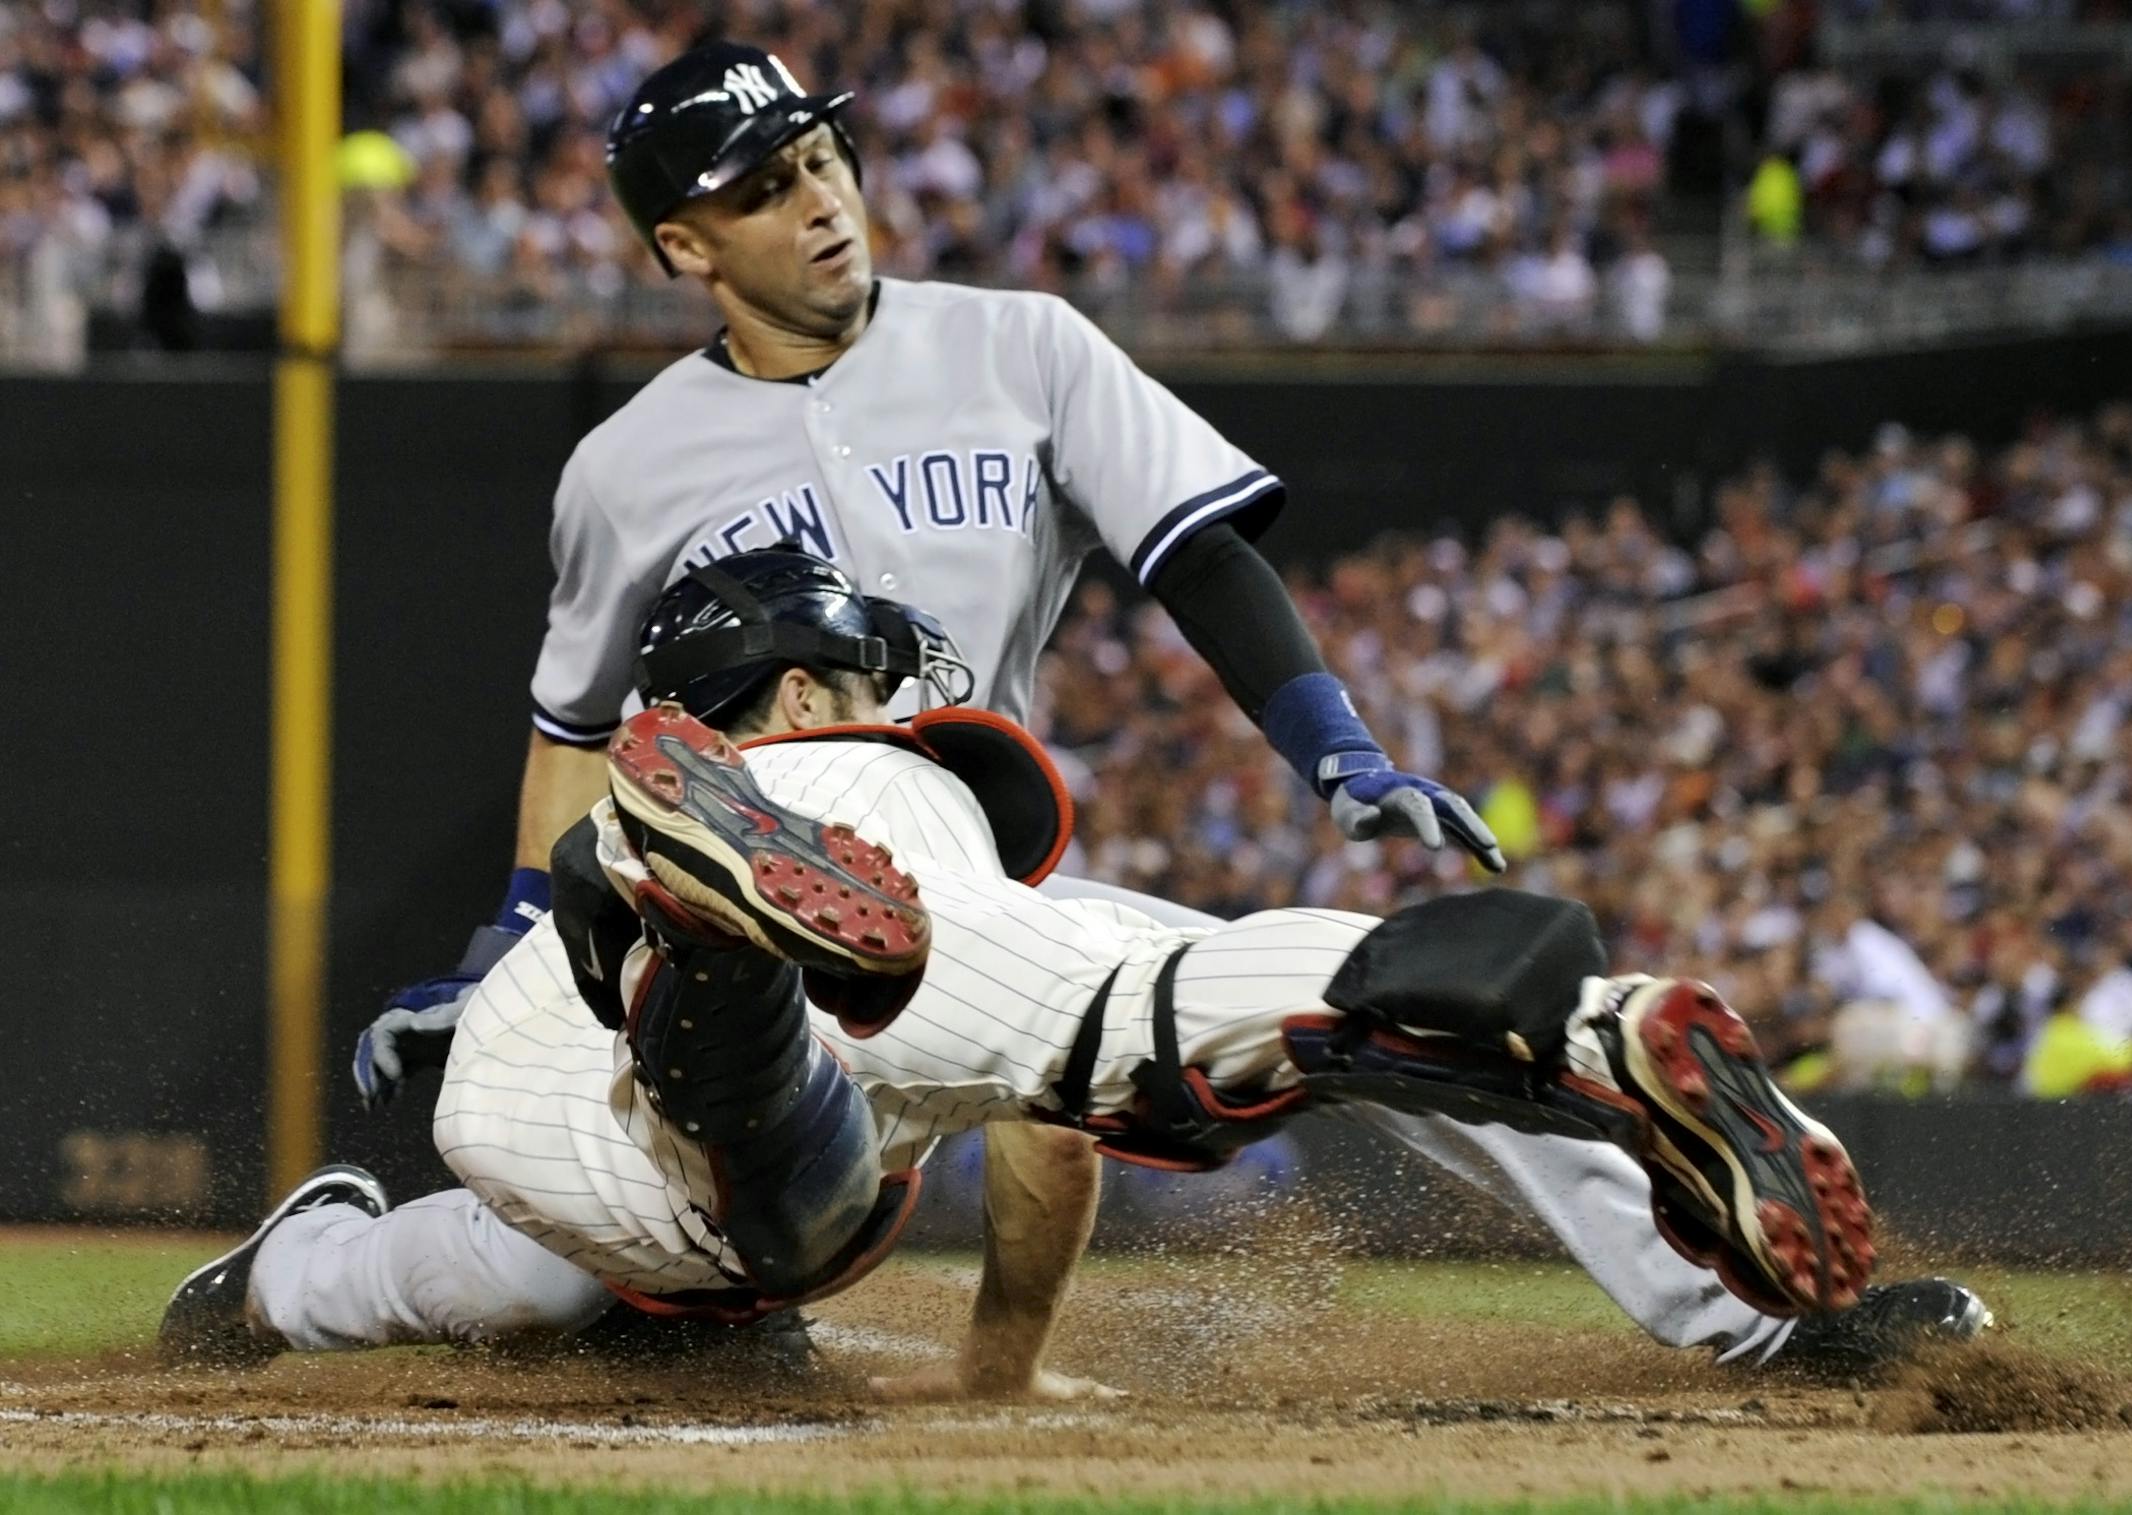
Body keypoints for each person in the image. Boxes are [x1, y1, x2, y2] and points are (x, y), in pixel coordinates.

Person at [351, 41, 1986, 1374]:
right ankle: (321, 1269)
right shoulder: (624, 465)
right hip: (734, 904)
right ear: (684, 250)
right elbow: (575, 730)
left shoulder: (1021, 347)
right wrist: (508, 932)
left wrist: (1337, 748)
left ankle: (1759, 1322)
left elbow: (1194, 553)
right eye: (764, 190)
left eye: (826, 158)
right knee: (568, 1277)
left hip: (954, 878)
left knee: (1385, 1018)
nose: (825, 202)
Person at [164, 554, 1918, 1385]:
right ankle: (1597, 1029)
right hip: (630, 1066)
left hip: (635, 1033)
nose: (920, 729)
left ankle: (669, 922)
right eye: (888, 691)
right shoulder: (882, 785)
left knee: (711, 1201)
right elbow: (1078, 1087)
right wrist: (999, 1361)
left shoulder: (879, 821)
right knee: (1149, 1009)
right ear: (790, 705)